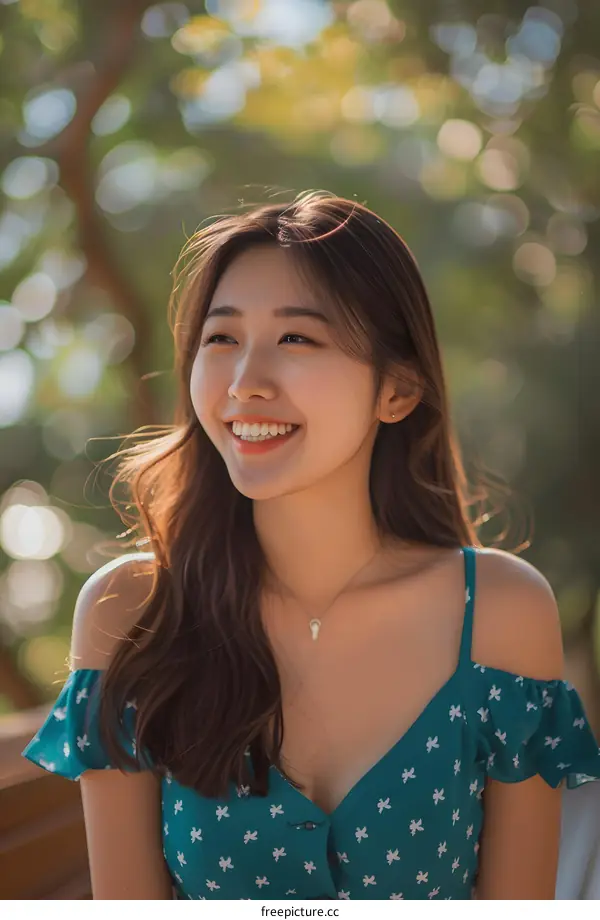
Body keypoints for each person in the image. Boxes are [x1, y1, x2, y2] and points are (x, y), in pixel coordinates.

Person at [23, 192, 600, 900]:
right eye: (222, 338)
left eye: (296, 339)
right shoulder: (130, 611)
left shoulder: (501, 612)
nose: (244, 384)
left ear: (398, 388)